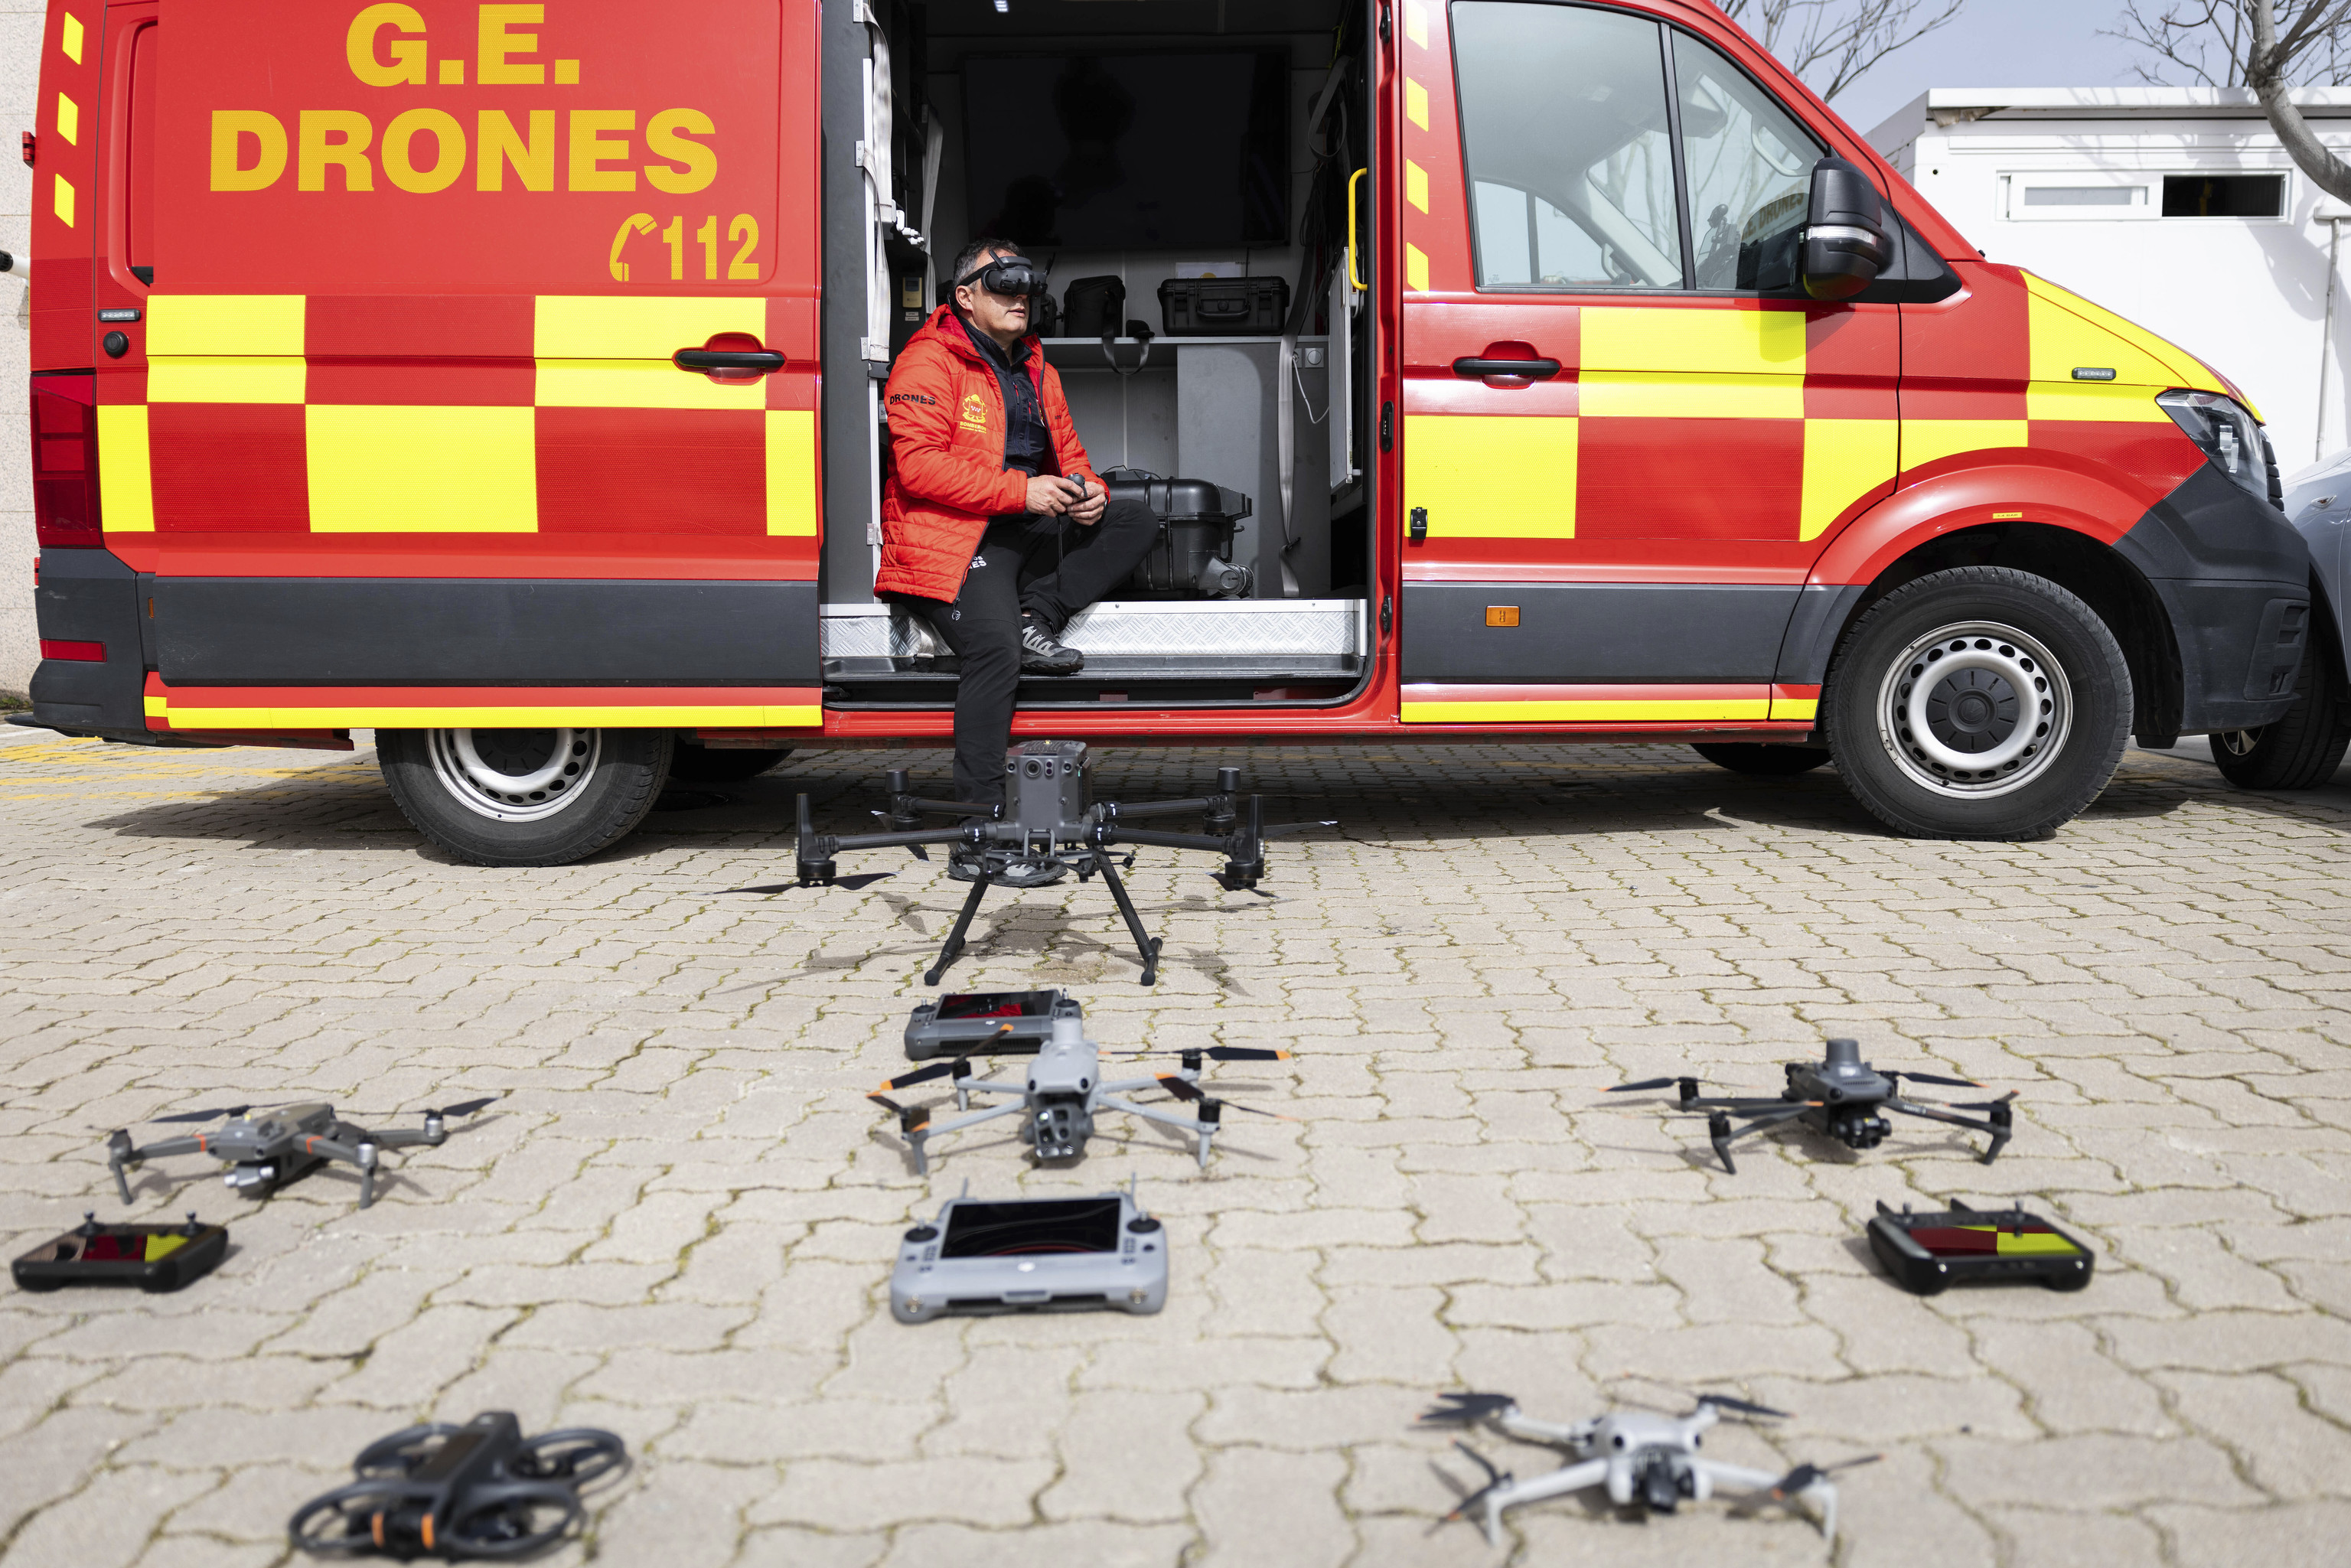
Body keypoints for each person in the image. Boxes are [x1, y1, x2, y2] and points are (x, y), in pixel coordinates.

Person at [877, 238, 1159, 875]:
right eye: (1001, 285)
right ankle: (979, 836)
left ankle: (1038, 613)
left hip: (1022, 528)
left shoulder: (1038, 367)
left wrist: (1089, 493)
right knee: (995, 652)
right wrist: (1021, 492)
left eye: (1025, 287)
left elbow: (1072, 458)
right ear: (964, 296)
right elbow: (919, 468)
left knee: (1135, 517)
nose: (1019, 298)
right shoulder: (927, 360)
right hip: (955, 541)